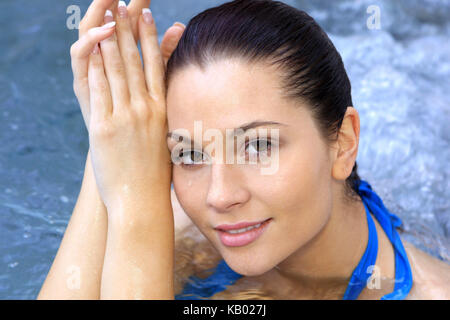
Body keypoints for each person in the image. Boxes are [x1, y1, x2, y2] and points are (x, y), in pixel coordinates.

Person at [38, 0, 450, 300]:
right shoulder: (190, 219)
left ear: (343, 142)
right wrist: (110, 138)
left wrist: (134, 203)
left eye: (258, 146)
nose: (220, 195)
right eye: (190, 154)